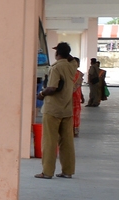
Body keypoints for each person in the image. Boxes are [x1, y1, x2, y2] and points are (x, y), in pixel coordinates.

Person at [36, 42, 77, 180]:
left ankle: (47, 172)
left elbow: (52, 87)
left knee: (49, 142)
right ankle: (68, 171)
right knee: (67, 142)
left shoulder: (56, 68)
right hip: (67, 109)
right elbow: (72, 59)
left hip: (53, 109)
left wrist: (41, 94)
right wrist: (65, 52)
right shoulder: (72, 66)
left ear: (57, 53)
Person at [70, 56, 84, 137]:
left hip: (76, 97)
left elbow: (79, 87)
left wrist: (82, 96)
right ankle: (70, 130)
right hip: (68, 97)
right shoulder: (67, 73)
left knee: (76, 113)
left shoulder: (79, 74)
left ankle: (75, 130)